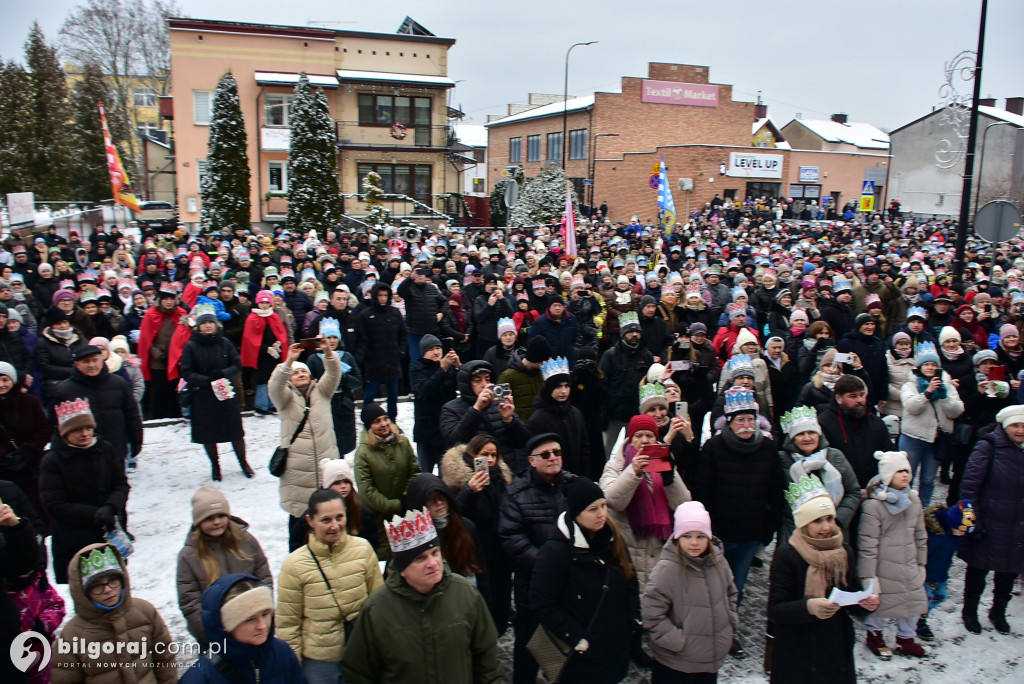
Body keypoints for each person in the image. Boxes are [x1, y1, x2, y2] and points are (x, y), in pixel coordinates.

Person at [340, 508, 502, 683]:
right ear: (402, 570)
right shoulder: (376, 610)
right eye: (420, 558)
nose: (432, 564)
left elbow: (488, 663)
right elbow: (357, 673)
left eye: (435, 553)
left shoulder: (465, 594)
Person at [693, 385, 785, 648]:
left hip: (749, 533)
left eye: (750, 419)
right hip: (719, 532)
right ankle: (706, 628)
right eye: (741, 420)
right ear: (729, 422)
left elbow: (775, 491)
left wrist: (769, 526)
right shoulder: (713, 448)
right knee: (712, 585)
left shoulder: (768, 449)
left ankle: (727, 630)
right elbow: (702, 489)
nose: (746, 425)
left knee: (736, 586)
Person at [768, 475, 879, 683]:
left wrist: (864, 603)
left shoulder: (844, 551)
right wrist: (809, 607)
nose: (826, 527)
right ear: (803, 524)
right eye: (817, 521)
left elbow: (852, 592)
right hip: (798, 652)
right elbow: (775, 609)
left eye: (829, 518)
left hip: (835, 649)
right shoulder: (788, 555)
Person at [530, 477, 640, 683]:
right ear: (576, 514)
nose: (602, 514)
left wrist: (633, 616)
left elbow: (629, 577)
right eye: (593, 509)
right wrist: (576, 636)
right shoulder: (556, 551)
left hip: (613, 647)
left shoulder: (612, 537)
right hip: (580, 654)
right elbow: (542, 603)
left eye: (604, 506)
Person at [277, 488, 383, 684]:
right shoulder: (294, 565)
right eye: (326, 520)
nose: (335, 526)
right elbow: (288, 623)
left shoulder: (363, 549)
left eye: (339, 517)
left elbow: (379, 605)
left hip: (360, 653)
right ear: (311, 521)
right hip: (319, 662)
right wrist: (292, 666)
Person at [499, 432, 579, 684]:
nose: (553, 458)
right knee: (530, 649)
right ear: (531, 461)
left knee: (570, 649)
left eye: (557, 452)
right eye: (546, 455)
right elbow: (514, 541)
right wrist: (550, 567)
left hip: (571, 586)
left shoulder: (575, 486)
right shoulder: (516, 494)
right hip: (533, 590)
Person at [642, 501, 738, 683]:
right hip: (677, 664)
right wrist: (679, 642)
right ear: (677, 537)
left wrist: (730, 621)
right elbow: (652, 615)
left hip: (710, 662)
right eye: (687, 536)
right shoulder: (666, 570)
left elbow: (731, 593)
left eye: (701, 536)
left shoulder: (719, 563)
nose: (694, 542)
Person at [51, 544, 176, 682]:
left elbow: (165, 658)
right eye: (97, 586)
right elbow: (64, 678)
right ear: (83, 592)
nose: (108, 590)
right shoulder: (72, 635)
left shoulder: (145, 612)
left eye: (113, 581)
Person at [39, 399, 129, 585]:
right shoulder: (53, 460)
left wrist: (111, 507)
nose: (84, 433)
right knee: (86, 590)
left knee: (115, 586)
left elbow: (121, 484)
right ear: (64, 433)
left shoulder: (104, 449)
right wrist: (94, 514)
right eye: (77, 430)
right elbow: (54, 504)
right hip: (72, 537)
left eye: (88, 428)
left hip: (107, 532)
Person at [601, 413, 692, 588]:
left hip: (660, 549)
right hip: (629, 549)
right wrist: (633, 472)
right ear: (630, 439)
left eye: (649, 436)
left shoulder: (664, 459)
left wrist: (669, 478)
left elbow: (683, 504)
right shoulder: (616, 464)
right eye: (639, 436)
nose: (644, 440)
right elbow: (614, 501)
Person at [957, 404, 1024, 635]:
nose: (1020, 430)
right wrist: (972, 520)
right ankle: (970, 610)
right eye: (1015, 425)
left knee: (1008, 571)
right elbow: (969, 487)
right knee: (978, 570)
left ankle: (998, 612)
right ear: (1005, 426)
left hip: (1017, 525)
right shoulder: (989, 446)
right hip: (989, 520)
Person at [176, 486, 272, 647]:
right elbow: (190, 602)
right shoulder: (189, 556)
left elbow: (264, 576)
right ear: (198, 522)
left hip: (255, 627)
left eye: (221, 516)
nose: (216, 522)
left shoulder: (246, 541)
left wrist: (263, 614)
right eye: (209, 518)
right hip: (216, 638)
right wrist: (213, 634)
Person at [269, 338, 341, 552]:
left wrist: (328, 352)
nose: (301, 375)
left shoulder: (322, 392)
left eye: (304, 372)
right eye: (296, 373)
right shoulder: (284, 398)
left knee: (331, 520)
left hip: (325, 466)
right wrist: (289, 361)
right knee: (300, 525)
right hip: (297, 471)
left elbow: (334, 373)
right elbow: (274, 387)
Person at [440, 434, 515, 634]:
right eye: (484, 455)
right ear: (473, 455)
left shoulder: (501, 477)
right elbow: (456, 518)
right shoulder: (458, 482)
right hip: (477, 551)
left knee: (502, 594)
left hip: (500, 550)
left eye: (493, 455)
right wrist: (470, 491)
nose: (489, 460)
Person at [858, 450, 929, 658]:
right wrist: (869, 577)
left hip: (909, 562)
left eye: (907, 470)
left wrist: (922, 563)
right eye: (899, 471)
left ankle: (906, 638)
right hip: (883, 565)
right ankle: (874, 636)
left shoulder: (914, 501)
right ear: (888, 475)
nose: (905, 475)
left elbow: (920, 533)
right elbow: (867, 543)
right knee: (879, 603)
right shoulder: (874, 505)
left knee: (912, 602)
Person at [179, 574, 305, 684]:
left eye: (265, 614)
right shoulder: (201, 677)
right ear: (226, 626)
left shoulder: (282, 652)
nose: (263, 626)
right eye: (250, 619)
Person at [180, 305, 250, 480]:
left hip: (225, 392)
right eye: (204, 323)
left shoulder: (225, 343)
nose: (208, 325)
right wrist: (205, 380)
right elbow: (186, 371)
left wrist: (224, 374)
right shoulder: (191, 345)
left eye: (211, 322)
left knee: (235, 431)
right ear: (198, 326)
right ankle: (215, 465)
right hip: (203, 396)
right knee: (208, 433)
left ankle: (243, 462)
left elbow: (237, 364)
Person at [777, 406, 860, 540]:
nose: (807, 438)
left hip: (832, 530)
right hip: (795, 531)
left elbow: (853, 492)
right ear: (792, 438)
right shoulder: (782, 459)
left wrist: (836, 520)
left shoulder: (835, 456)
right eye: (800, 434)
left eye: (812, 432)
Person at [899, 341, 963, 505]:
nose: (929, 367)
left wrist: (944, 397)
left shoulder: (947, 386)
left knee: (928, 479)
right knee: (907, 477)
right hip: (913, 437)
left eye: (933, 364)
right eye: (926, 364)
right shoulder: (910, 385)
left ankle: (924, 510)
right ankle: (904, 507)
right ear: (919, 367)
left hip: (936, 439)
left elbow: (957, 410)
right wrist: (927, 393)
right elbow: (912, 407)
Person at [353, 402, 420, 560]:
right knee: (388, 557)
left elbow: (415, 471)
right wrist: (393, 506)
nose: (383, 424)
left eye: (385, 419)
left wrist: (406, 498)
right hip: (380, 520)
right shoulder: (363, 453)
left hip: (407, 512)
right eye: (377, 421)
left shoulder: (402, 443)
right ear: (369, 427)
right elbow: (366, 491)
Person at [439, 360, 529, 469]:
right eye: (477, 381)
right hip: (472, 472)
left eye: (487, 379)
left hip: (506, 471)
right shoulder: (451, 408)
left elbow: (522, 442)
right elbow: (454, 441)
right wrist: (476, 409)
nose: (484, 385)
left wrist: (509, 420)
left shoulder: (500, 404)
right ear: (467, 384)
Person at [406, 473, 488, 592]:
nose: (439, 502)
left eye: (442, 497)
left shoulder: (466, 527)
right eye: (431, 499)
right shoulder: (410, 538)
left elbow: (481, 574)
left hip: (468, 597)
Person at [817, 374, 894, 489]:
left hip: (874, 489)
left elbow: (889, 454)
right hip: (841, 490)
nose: (860, 400)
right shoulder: (824, 423)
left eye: (862, 395)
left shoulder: (876, 423)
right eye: (853, 396)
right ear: (839, 398)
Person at [0, 361, 50, 528]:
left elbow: (44, 429)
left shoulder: (30, 402)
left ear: (13, 380)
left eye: (5, 379)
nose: (1, 385)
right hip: (4, 470)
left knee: (37, 512)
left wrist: (28, 451)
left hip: (31, 467)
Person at [600, 311, 655, 454]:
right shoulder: (610, 355)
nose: (635, 335)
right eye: (631, 332)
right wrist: (604, 410)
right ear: (623, 333)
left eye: (637, 331)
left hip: (637, 414)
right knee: (607, 450)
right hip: (614, 414)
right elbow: (602, 383)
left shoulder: (647, 356)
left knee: (634, 451)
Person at [306, 317, 362, 458]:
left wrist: (343, 377)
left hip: (343, 405)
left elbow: (358, 382)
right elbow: (308, 384)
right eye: (328, 337)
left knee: (341, 445)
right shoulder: (314, 359)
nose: (331, 341)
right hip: (323, 405)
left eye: (334, 337)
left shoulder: (347, 357)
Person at [528, 357, 590, 476]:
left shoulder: (575, 413)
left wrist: (585, 477)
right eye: (558, 386)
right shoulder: (538, 419)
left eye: (567, 386)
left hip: (576, 478)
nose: (563, 391)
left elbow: (584, 449)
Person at [137, 283, 191, 418]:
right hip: (158, 360)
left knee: (175, 389)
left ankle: (176, 414)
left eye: (171, 299)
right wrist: (160, 356)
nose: (168, 302)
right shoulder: (151, 314)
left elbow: (185, 336)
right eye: (166, 299)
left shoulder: (181, 314)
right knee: (159, 390)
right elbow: (146, 340)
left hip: (176, 358)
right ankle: (157, 416)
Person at [410, 334, 460, 473]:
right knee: (426, 474)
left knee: (448, 474)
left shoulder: (449, 368)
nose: (436, 352)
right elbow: (424, 390)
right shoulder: (417, 369)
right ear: (424, 352)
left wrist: (459, 366)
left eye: (438, 348)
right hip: (426, 432)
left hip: (446, 429)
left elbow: (466, 385)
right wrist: (442, 370)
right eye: (431, 349)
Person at [358, 282, 407, 421]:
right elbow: (361, 338)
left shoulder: (395, 313)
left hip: (393, 360)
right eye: (380, 295)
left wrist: (401, 351)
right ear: (374, 296)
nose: (383, 298)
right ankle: (368, 422)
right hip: (373, 362)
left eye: (385, 295)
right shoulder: (365, 315)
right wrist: (367, 355)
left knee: (393, 395)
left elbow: (403, 334)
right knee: (370, 395)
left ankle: (392, 421)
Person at [242, 290, 289, 415]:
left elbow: (281, 333)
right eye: (262, 303)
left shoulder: (274, 316)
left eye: (266, 302)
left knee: (274, 378)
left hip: (275, 354)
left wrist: (278, 343)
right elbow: (250, 338)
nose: (264, 305)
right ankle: (261, 405)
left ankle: (274, 404)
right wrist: (265, 348)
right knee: (262, 381)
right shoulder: (252, 318)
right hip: (260, 355)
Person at [320, 457, 378, 550]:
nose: (343, 486)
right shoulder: (316, 511)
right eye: (337, 483)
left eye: (346, 482)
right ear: (327, 485)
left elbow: (371, 545)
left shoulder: (363, 513)